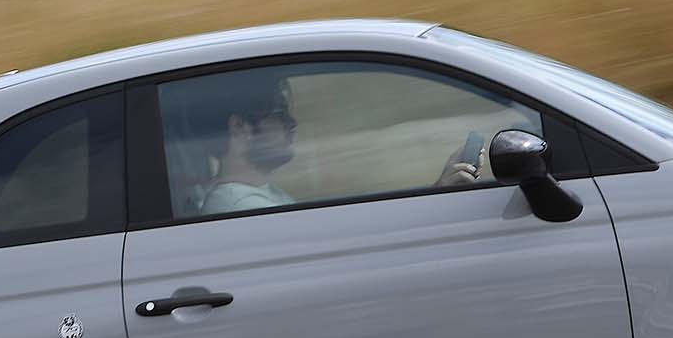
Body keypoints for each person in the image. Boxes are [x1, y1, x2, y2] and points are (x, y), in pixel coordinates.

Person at [196, 76, 484, 216]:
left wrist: (436, 191)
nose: (292, 123)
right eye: (279, 114)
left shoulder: (258, 195)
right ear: (239, 127)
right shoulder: (241, 207)